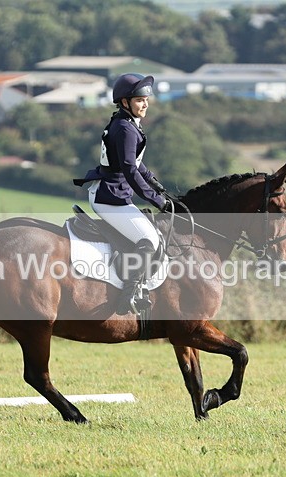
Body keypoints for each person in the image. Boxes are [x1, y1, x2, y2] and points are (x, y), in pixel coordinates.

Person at [74, 73, 172, 315]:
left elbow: (137, 165)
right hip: (110, 198)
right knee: (149, 240)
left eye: (147, 99)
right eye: (140, 100)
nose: (146, 103)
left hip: (113, 194)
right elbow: (129, 169)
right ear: (125, 102)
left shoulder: (126, 124)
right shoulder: (126, 129)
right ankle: (129, 294)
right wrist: (157, 201)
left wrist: (158, 187)